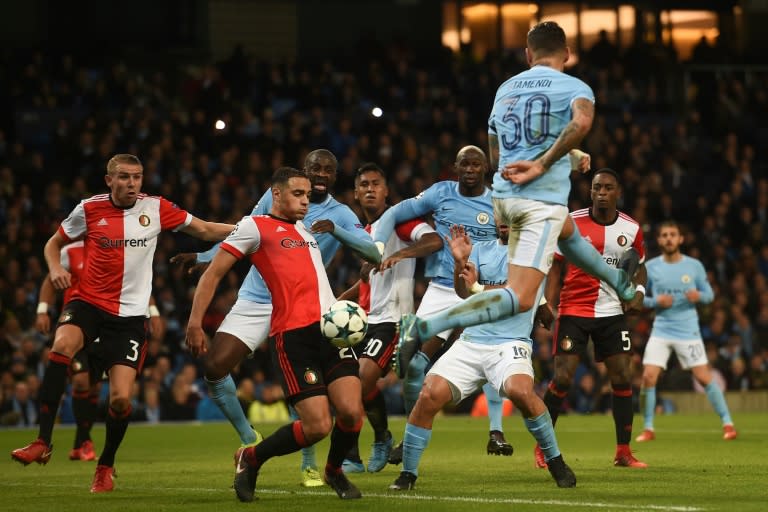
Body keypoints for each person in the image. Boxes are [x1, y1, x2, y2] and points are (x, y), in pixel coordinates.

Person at [392, 21, 638, 372]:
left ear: (527, 55)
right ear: (567, 53)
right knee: (521, 298)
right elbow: (581, 124)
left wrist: (564, 157)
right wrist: (545, 163)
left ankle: (619, 283)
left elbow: (496, 156)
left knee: (568, 234)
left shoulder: (505, 88)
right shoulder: (575, 86)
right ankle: (427, 325)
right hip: (538, 203)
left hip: (504, 199)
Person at [10, 153, 235, 493]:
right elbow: (54, 243)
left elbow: (203, 229)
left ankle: (105, 465)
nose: (132, 184)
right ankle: (43, 440)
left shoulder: (156, 208)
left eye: (137, 177)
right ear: (109, 180)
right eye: (125, 177)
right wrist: (55, 268)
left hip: (129, 317)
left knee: (119, 401)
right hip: (88, 303)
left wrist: (249, 229)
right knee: (61, 347)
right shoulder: (89, 209)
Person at [172, 149, 379, 489]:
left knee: (352, 412)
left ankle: (333, 471)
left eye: (308, 196)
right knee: (316, 424)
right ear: (277, 194)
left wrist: (338, 235)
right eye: (299, 193)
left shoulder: (313, 226)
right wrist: (195, 320)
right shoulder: (258, 226)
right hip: (285, 324)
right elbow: (219, 258)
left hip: (327, 326)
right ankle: (250, 451)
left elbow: (371, 252)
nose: (306, 201)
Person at [388, 223, 576, 491]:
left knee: (520, 391)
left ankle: (556, 461)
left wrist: (478, 286)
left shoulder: (533, 254)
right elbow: (462, 293)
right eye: (500, 213)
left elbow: (515, 296)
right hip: (471, 341)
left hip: (510, 343)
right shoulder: (481, 249)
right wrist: (459, 263)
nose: (503, 220)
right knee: (429, 395)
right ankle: (407, 474)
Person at [370, 145, 517, 458]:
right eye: (464, 163)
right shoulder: (440, 193)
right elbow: (396, 212)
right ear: (456, 166)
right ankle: (409, 438)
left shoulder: (496, 202)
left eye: (476, 164)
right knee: (414, 362)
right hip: (442, 287)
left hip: (479, 288)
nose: (470, 169)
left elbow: (510, 240)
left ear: (484, 169)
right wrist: (379, 244)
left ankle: (496, 431)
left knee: (488, 351)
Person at [335, 163, 443, 473]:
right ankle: (381, 437)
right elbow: (370, 277)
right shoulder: (364, 233)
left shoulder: (399, 224)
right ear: (356, 193)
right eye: (364, 185)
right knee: (352, 387)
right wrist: (340, 300)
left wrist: (399, 255)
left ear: (386, 191)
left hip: (394, 321)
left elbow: (434, 240)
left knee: (356, 383)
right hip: (364, 320)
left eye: (376, 184)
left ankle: (358, 452)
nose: (370, 189)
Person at [538, 168, 648, 469]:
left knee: (623, 377)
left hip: (612, 313)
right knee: (562, 377)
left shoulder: (632, 229)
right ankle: (543, 447)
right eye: (597, 187)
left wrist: (638, 293)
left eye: (608, 187)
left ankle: (623, 452)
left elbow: (639, 266)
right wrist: (548, 301)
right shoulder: (572, 222)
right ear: (590, 191)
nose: (601, 192)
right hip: (574, 310)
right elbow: (555, 266)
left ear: (618, 192)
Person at [35, 240, 164, 461]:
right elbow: (50, 279)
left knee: (93, 388)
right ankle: (81, 441)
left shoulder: (114, 248)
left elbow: (135, 282)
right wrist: (43, 309)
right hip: (78, 325)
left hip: (107, 328)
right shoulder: (70, 252)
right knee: (81, 381)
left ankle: (81, 443)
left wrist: (153, 310)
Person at [636, 220, 738, 442]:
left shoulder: (694, 266)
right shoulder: (651, 267)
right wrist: (656, 301)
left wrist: (699, 296)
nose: (669, 238)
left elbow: (710, 294)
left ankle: (728, 423)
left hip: (687, 330)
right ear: (659, 240)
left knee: (703, 377)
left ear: (680, 239)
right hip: (661, 329)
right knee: (648, 377)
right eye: (664, 235)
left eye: (673, 234)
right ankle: (648, 428)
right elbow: (639, 299)